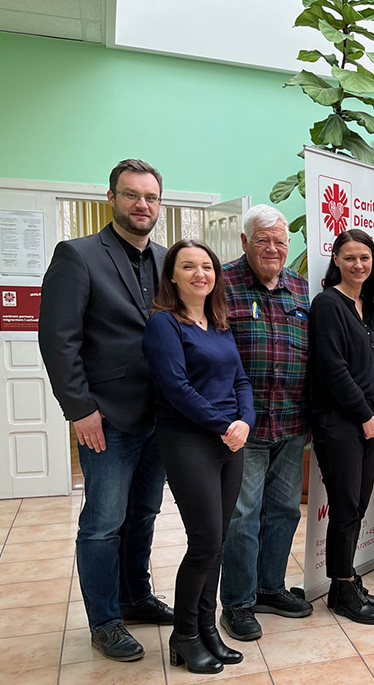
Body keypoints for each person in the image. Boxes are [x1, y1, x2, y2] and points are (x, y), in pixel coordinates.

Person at [38, 159, 173, 662]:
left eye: (151, 197)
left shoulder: (167, 259)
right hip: (106, 418)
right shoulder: (77, 255)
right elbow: (58, 339)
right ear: (112, 198)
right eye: (132, 195)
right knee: (102, 522)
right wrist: (80, 409)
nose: (142, 205)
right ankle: (105, 619)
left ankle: (135, 596)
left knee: (144, 514)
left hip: (161, 415)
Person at [142, 240, 254, 674]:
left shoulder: (219, 323)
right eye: (188, 266)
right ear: (172, 275)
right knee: (204, 540)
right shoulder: (163, 324)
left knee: (218, 542)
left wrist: (244, 421)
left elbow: (240, 378)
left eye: (206, 266)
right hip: (188, 440)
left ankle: (207, 628)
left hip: (229, 441)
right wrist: (224, 426)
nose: (199, 274)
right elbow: (175, 387)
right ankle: (184, 635)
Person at [220, 205, 312, 641]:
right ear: (244, 242)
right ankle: (237, 602)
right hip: (243, 428)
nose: (272, 248)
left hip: (292, 423)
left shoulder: (300, 288)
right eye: (263, 240)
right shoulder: (221, 283)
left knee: (282, 511)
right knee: (242, 517)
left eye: (279, 241)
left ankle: (270, 587)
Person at [309, 229, 374, 624]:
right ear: (336, 261)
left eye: (365, 257)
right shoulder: (327, 304)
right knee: (344, 507)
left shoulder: (369, 306)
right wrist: (366, 417)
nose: (358, 264)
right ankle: (340, 586)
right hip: (341, 422)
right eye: (350, 258)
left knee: (357, 505)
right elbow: (333, 370)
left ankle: (348, 576)